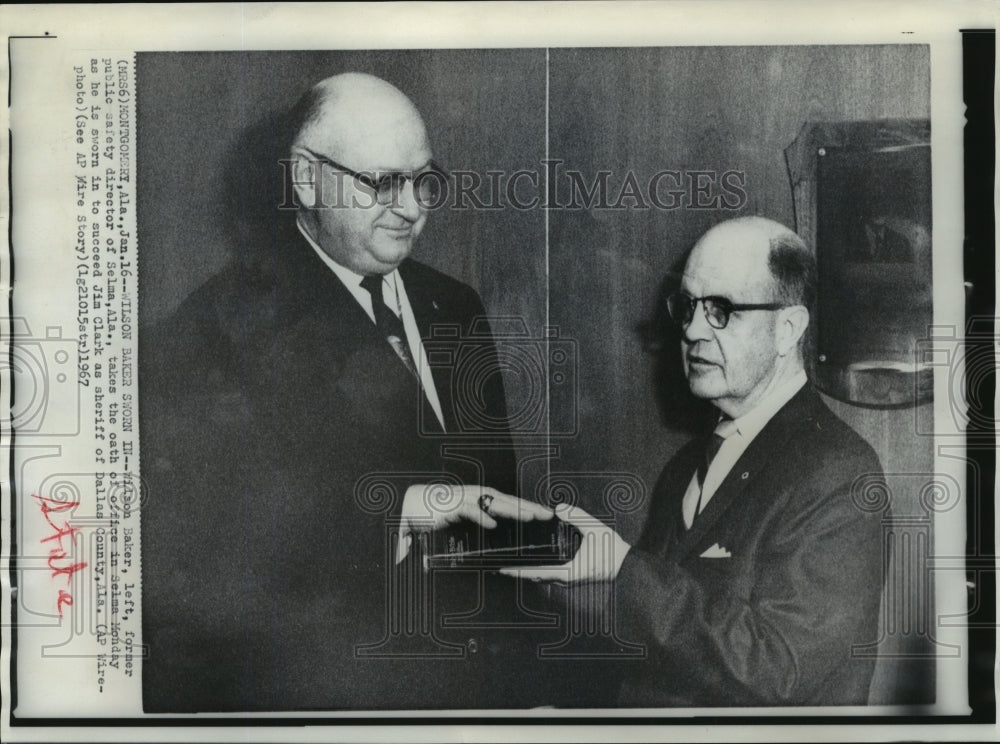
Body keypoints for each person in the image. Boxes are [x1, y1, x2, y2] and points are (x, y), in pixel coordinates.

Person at [139, 72, 551, 711]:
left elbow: (497, 512)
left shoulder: (454, 304)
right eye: (382, 182)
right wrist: (401, 510)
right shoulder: (218, 326)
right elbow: (216, 553)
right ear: (307, 179)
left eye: (424, 180)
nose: (412, 207)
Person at [503, 216, 885, 706]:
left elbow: (777, 668)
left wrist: (620, 566)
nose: (692, 331)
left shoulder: (840, 471)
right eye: (688, 307)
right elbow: (658, 648)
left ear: (787, 330)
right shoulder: (687, 466)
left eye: (722, 309)